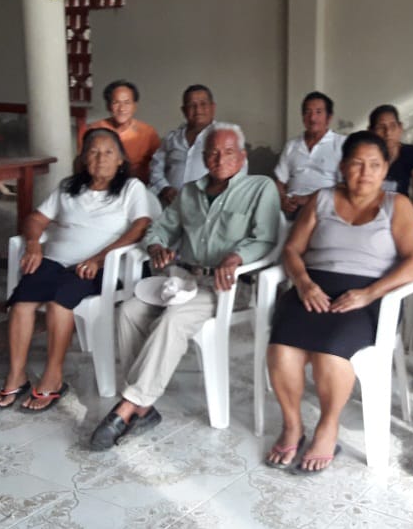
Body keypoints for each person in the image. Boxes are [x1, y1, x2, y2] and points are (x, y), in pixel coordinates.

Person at [90, 123, 280, 449]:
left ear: (242, 156)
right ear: (204, 158)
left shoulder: (260, 188)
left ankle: (127, 406)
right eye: (213, 153)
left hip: (225, 286)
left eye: (228, 152)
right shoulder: (190, 191)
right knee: (130, 310)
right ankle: (143, 407)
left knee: (173, 319)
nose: (220, 159)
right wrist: (156, 247)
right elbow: (159, 229)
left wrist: (236, 257)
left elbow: (266, 238)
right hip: (182, 280)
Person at [265, 131, 413, 474]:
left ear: (385, 169)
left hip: (367, 297)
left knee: (330, 352)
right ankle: (293, 426)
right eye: (357, 164)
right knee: (282, 349)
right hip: (314, 289)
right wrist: (304, 283)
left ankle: (328, 427)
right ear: (342, 167)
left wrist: (370, 293)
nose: (365, 172)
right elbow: (292, 249)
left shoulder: (396, 205)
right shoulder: (321, 199)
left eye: (374, 165)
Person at [0, 128, 154, 411]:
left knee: (59, 303)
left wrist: (99, 258)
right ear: (83, 158)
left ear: (120, 160)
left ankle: (53, 377)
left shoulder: (131, 188)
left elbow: (141, 227)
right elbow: (36, 219)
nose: (100, 158)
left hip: (98, 267)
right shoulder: (68, 187)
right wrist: (33, 244)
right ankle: (17, 375)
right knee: (21, 303)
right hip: (54, 261)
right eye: (93, 152)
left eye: (108, 152)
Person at [274, 92, 346, 217]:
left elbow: (344, 185)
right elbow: (280, 182)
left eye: (318, 112)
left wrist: (309, 199)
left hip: (325, 207)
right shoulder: (291, 145)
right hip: (292, 205)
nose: (312, 118)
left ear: (329, 117)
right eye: (307, 112)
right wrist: (282, 199)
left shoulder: (341, 143)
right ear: (302, 117)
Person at [80, 80, 161, 184]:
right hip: (101, 186)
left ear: (135, 106)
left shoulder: (148, 132)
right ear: (108, 106)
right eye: (116, 103)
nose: (122, 108)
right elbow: (82, 162)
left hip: (137, 186)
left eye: (127, 103)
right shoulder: (93, 130)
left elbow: (158, 165)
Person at [149, 84, 217, 206]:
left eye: (203, 104)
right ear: (184, 110)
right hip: (170, 205)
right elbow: (155, 167)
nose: (198, 110)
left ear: (213, 107)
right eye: (192, 105)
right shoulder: (172, 138)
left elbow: (238, 175)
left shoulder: (224, 137)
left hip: (206, 205)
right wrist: (164, 188)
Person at [368, 104, 413, 212]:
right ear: (371, 131)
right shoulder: (365, 157)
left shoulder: (411, 153)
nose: (388, 132)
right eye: (381, 127)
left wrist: (405, 218)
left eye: (392, 126)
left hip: (403, 213)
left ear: (400, 128)